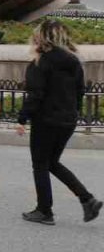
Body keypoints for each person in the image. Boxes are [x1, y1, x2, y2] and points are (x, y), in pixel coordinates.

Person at [17, 19, 101, 225]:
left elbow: (36, 94)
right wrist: (73, 112)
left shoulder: (40, 62)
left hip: (46, 120)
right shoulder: (74, 62)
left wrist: (22, 119)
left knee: (40, 164)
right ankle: (87, 199)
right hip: (67, 120)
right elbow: (80, 91)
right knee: (52, 162)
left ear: (41, 37)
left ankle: (44, 211)